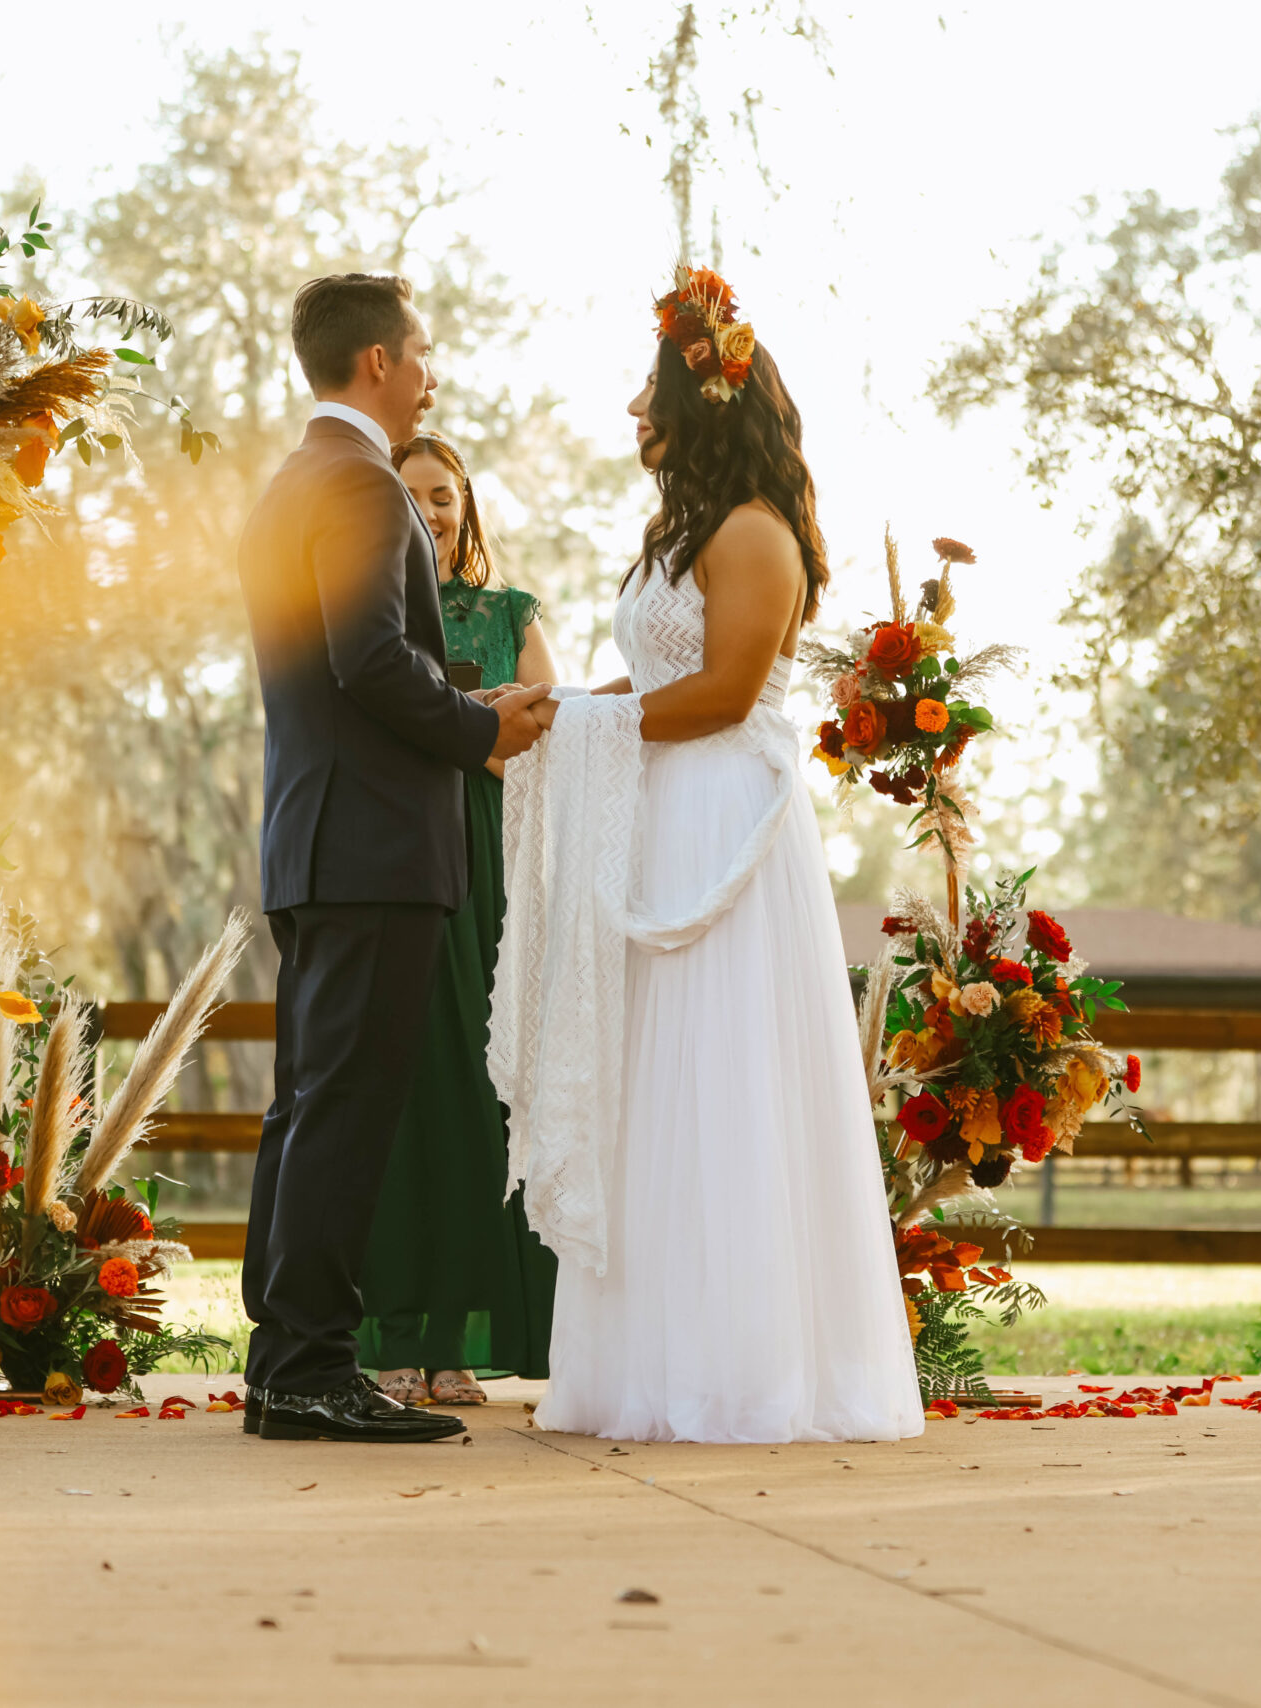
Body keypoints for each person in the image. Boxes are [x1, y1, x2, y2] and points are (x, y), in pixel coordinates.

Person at [488, 265, 926, 1444]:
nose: (635, 414)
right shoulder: (680, 530)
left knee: (722, 1076)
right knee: (650, 1085)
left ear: (702, 406)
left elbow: (728, 693)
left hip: (723, 816)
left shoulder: (753, 534)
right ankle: (641, 1367)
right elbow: (660, 684)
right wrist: (553, 711)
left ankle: (746, 1373)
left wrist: (589, 721)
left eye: (648, 396)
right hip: (656, 800)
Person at [232, 273, 551, 1444]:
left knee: (307, 1111)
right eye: (421, 353)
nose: (431, 373)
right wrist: (484, 729)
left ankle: (285, 1364)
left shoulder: (292, 485)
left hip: (317, 839)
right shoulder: (363, 486)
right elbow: (369, 659)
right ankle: (311, 1369)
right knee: (346, 1110)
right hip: (373, 847)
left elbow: (335, 667)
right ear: (376, 363)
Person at [356, 431, 560, 1408]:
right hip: (398, 857)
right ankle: (390, 1333)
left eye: (444, 496)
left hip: (490, 872)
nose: (431, 511)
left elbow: (542, 738)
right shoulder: (368, 615)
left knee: (480, 1103)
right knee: (401, 1104)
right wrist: (476, 723)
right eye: (412, 495)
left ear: (465, 507)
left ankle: (451, 1343)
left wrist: (456, 729)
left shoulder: (511, 612)